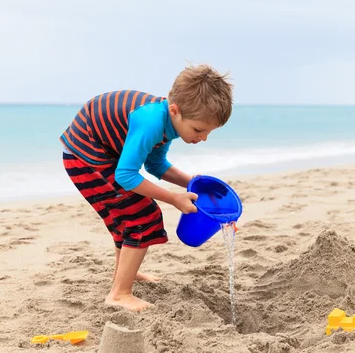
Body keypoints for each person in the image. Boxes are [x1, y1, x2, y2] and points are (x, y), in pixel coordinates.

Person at [60, 64, 233, 311]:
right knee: (143, 214)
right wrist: (173, 198)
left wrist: (192, 184)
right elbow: (126, 175)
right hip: (84, 155)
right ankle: (119, 294)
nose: (203, 137)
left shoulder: (167, 123)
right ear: (175, 110)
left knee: (128, 215)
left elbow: (155, 165)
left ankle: (124, 273)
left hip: (103, 153)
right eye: (198, 129)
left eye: (208, 132)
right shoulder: (152, 122)